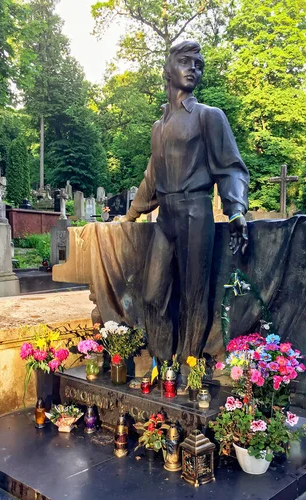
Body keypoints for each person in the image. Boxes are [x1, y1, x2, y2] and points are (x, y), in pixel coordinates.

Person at [122, 40, 249, 383]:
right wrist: (130, 215)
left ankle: (188, 369)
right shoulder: (158, 126)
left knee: (194, 295)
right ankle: (163, 365)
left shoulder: (209, 117)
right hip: (166, 218)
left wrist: (236, 209)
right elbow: (152, 174)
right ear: (168, 69)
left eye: (198, 64)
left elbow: (231, 168)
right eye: (186, 61)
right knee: (153, 294)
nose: (194, 68)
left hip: (196, 210)